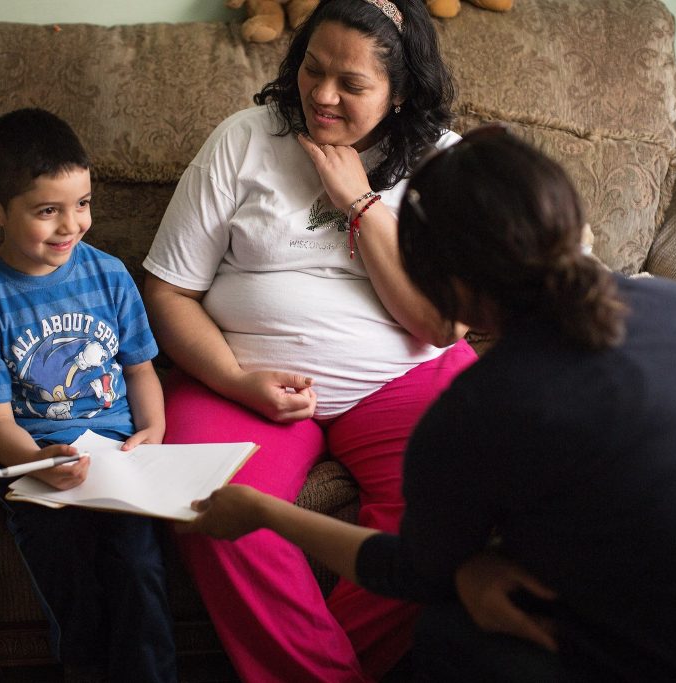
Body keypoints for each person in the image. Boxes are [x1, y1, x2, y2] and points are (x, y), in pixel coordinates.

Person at [180, 129, 676, 681]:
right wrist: (472, 566)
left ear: (449, 287)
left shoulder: (480, 405)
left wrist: (263, 512)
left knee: (449, 636)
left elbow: (410, 571)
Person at [142, 0, 474, 679]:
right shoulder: (244, 138)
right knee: (208, 501)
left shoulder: (443, 161)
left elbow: (440, 324)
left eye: (351, 85)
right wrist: (236, 380)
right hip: (237, 374)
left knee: (459, 502)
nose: (322, 96)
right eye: (312, 70)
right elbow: (168, 292)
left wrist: (360, 203)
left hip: (405, 375)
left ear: (401, 91)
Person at [0, 108, 177, 681]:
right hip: (39, 464)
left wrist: (153, 430)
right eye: (47, 211)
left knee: (138, 566)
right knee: (65, 570)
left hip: (119, 459)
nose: (71, 225)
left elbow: (141, 369)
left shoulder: (111, 276)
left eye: (83, 204)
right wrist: (37, 461)